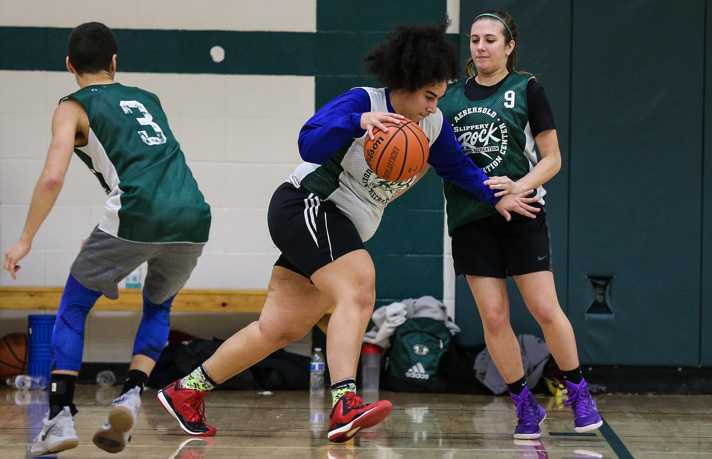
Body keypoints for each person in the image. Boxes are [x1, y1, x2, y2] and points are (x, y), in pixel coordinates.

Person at [156, 21, 538, 443]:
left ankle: (185, 390)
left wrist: (495, 196)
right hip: (306, 204)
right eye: (429, 96)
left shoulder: (431, 126)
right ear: (407, 83)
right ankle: (344, 403)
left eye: (439, 98)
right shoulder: (363, 101)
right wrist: (358, 121)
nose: (434, 107)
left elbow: (458, 168)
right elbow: (308, 143)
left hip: (337, 227)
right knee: (359, 287)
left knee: (279, 328)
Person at [2, 22, 211, 455]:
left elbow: (53, 175)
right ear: (115, 62)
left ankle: (59, 419)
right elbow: (149, 171)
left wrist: (25, 239)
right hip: (193, 215)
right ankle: (131, 394)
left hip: (134, 215)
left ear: (69, 65)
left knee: (73, 309)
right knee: (158, 306)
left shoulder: (72, 106)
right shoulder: (149, 99)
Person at [438, 10, 603, 439]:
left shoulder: (526, 89)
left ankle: (579, 390)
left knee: (546, 309)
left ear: (509, 46)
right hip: (470, 220)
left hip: (523, 214)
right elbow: (438, 159)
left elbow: (552, 159)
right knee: (494, 318)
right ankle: (523, 404)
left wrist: (518, 187)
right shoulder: (450, 98)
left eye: (490, 39)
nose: (480, 47)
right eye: (474, 39)